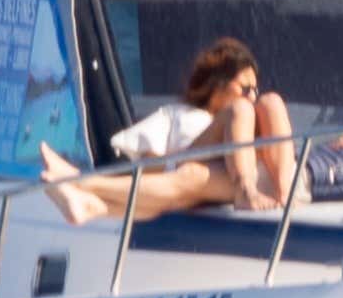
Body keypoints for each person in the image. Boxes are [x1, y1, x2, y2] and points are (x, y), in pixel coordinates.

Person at [37, 37, 293, 223]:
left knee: (271, 102)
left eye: (254, 89)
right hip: (192, 170)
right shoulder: (178, 114)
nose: (251, 95)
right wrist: (169, 160)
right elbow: (145, 162)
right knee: (199, 164)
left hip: (243, 179)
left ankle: (86, 192)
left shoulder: (251, 112)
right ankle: (84, 189)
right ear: (217, 84)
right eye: (245, 88)